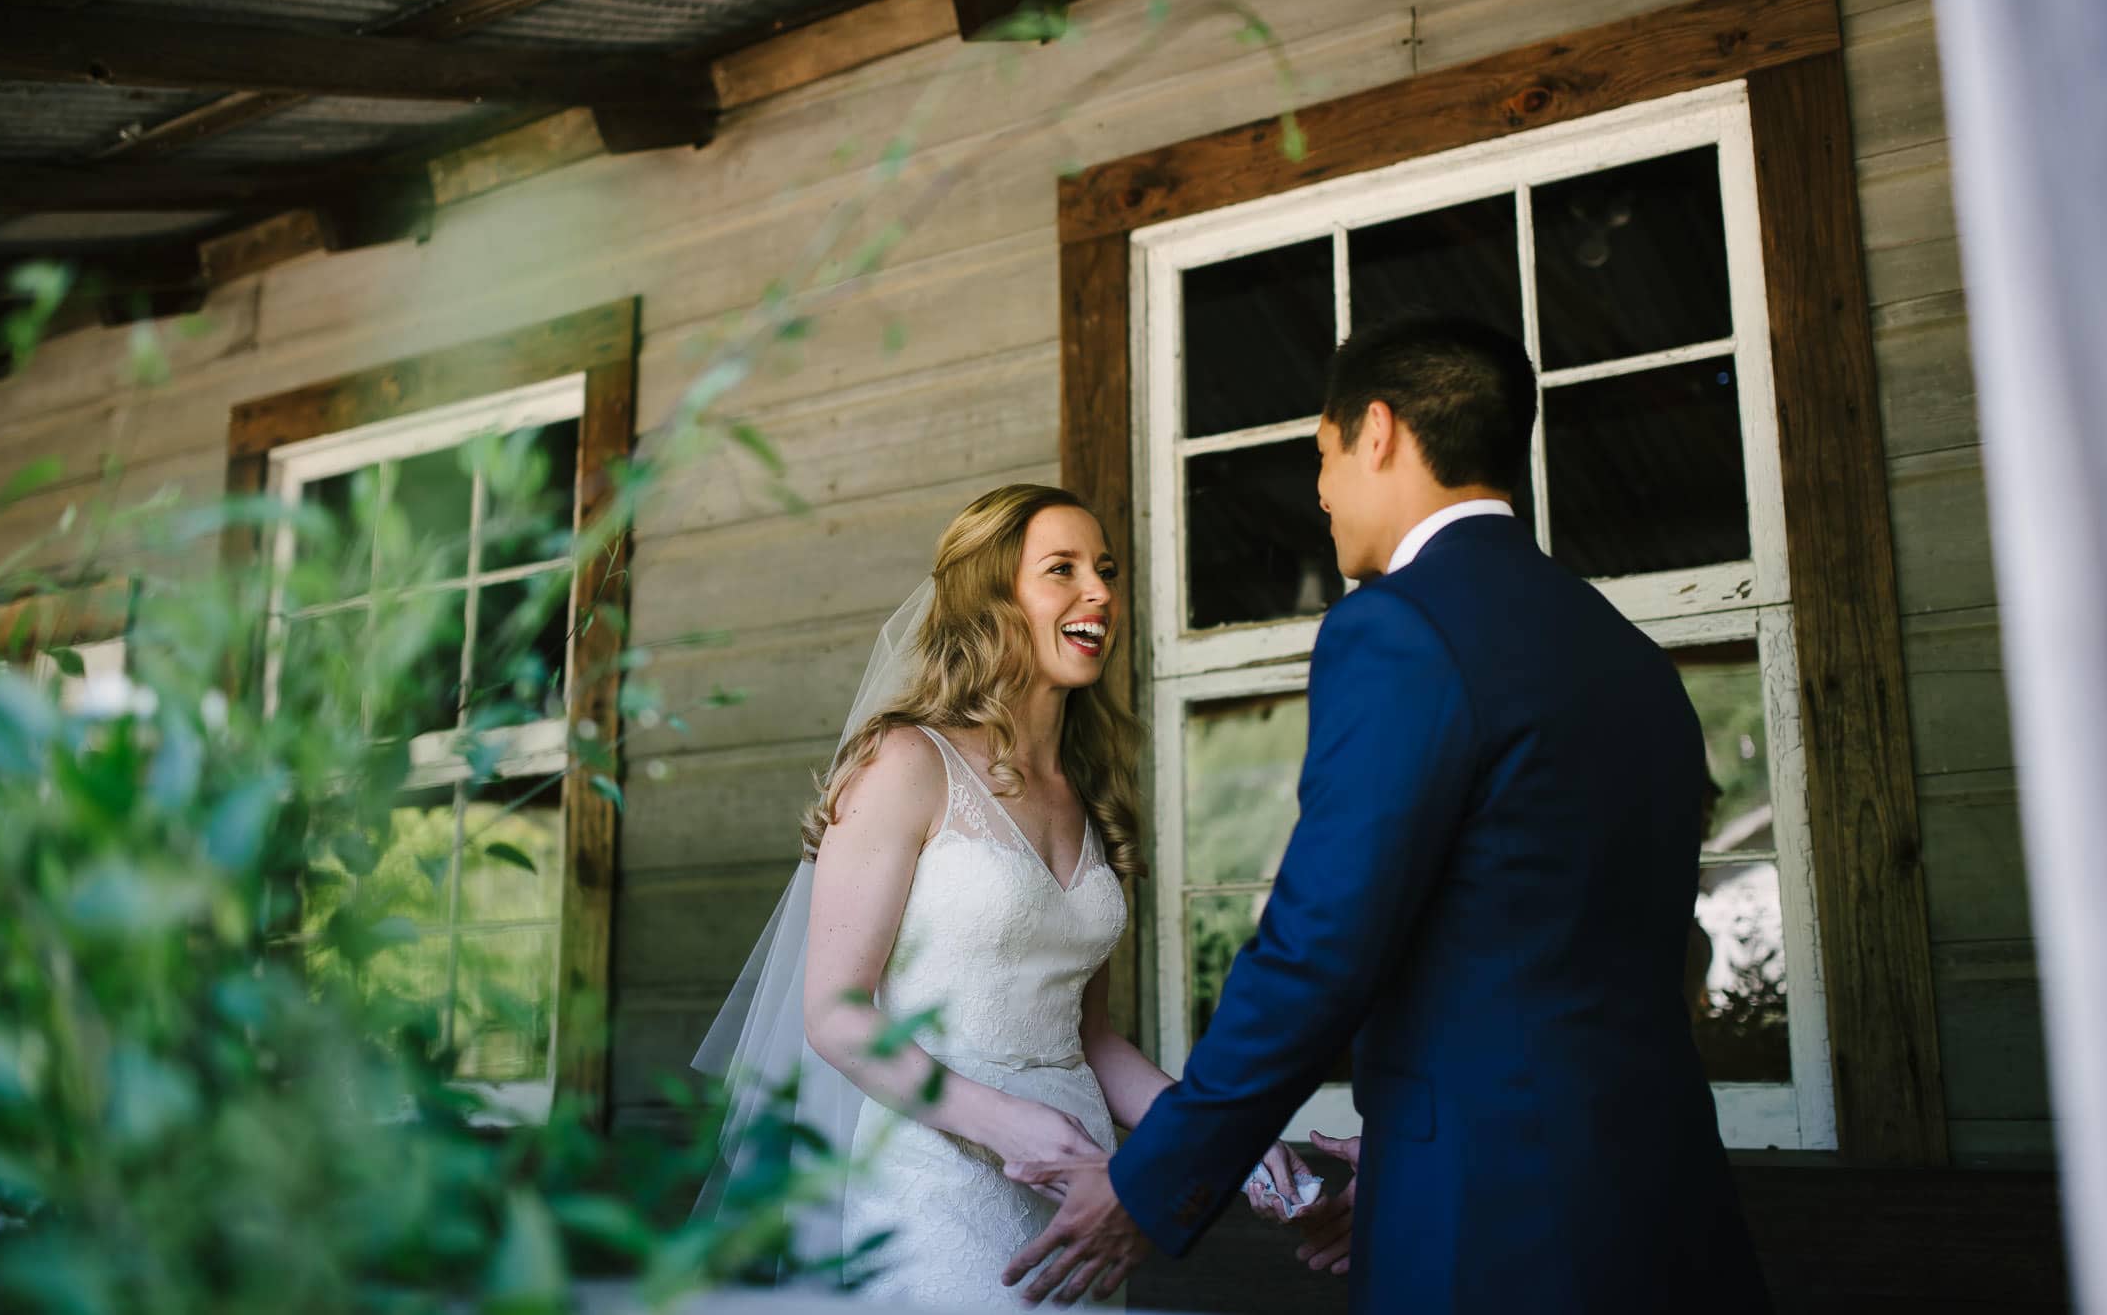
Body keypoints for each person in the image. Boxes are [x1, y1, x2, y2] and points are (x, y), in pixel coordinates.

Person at [1000, 318, 1771, 1313]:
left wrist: (1152, 1182)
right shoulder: (1623, 649)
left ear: (1376, 432)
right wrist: (1411, 1135)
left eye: (1321, 456)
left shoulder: (1396, 627)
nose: (1319, 493)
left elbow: (1321, 942)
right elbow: (1560, 948)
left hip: (1498, 1224)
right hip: (1661, 1194)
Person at [691, 483, 1304, 1307]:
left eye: (1106, 569)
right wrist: (1004, 1125)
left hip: (1079, 1187)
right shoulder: (906, 764)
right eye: (1063, 569)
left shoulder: (1090, 792)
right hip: (938, 1173)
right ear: (992, 599)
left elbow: (1091, 1037)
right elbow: (837, 1016)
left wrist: (1219, 1134)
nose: (1100, 592)